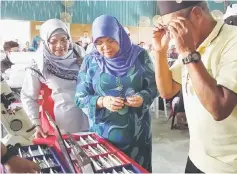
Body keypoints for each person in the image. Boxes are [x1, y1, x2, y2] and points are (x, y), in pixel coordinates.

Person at [153, 1, 237, 173]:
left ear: (197, 14)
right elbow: (167, 91)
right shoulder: (194, 44)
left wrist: (188, 53)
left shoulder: (232, 42)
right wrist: (159, 52)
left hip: (227, 166)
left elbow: (219, 108)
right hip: (196, 158)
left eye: (175, 26)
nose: (173, 34)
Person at [75, 15, 157, 172]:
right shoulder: (91, 61)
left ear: (120, 35)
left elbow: (154, 86)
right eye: (99, 42)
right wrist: (102, 101)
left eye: (110, 40)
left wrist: (143, 97)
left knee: (136, 169)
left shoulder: (140, 56)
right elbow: (80, 97)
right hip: (103, 135)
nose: (105, 47)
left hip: (137, 134)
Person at [21, 19, 89, 137]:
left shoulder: (80, 55)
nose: (60, 45)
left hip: (89, 118)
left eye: (64, 40)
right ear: (45, 42)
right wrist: (36, 124)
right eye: (53, 41)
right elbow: (28, 97)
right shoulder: (39, 65)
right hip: (61, 125)